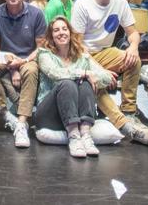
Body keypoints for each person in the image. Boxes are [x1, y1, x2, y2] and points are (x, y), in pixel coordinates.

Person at [71, 0, 148, 145]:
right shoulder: (82, 4)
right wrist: (98, 70)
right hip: (83, 55)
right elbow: (76, 45)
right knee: (95, 82)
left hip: (105, 51)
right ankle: (125, 125)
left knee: (134, 60)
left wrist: (133, 48)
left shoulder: (120, 1)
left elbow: (133, 33)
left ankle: (129, 112)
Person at [34, 16, 115, 158]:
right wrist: (83, 73)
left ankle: (85, 135)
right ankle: (73, 137)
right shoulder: (44, 54)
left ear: (70, 33)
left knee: (85, 83)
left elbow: (106, 77)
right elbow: (55, 73)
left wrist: (90, 75)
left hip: (76, 114)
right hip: (49, 114)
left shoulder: (82, 57)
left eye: (65, 29)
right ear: (51, 36)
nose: (61, 33)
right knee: (67, 82)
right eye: (56, 30)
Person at [0, 0, 48, 148]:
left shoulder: (36, 14)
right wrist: (12, 69)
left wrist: (22, 62)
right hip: (3, 58)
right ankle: (5, 114)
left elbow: (41, 48)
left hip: (28, 58)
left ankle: (21, 123)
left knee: (32, 71)